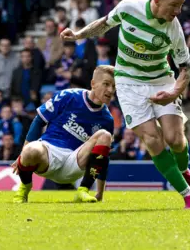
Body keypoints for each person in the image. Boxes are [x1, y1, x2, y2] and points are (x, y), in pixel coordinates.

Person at [60, 0, 190, 210]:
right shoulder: (129, 7)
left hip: (161, 80)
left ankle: (183, 169)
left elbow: (185, 68)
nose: (178, 11)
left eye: (180, 6)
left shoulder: (173, 28)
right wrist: (78, 35)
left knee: (175, 140)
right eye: (174, 6)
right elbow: (104, 23)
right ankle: (188, 196)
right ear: (156, 0)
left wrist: (175, 91)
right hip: (129, 83)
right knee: (153, 140)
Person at [12, 66, 115, 204]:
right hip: (48, 154)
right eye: (106, 84)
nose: (110, 90)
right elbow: (39, 121)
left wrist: (100, 193)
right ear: (93, 84)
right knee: (30, 149)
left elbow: (103, 159)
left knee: (105, 135)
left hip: (75, 162)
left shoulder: (107, 119)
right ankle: (25, 187)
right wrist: (22, 155)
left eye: (114, 86)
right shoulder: (69, 96)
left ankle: (83, 190)